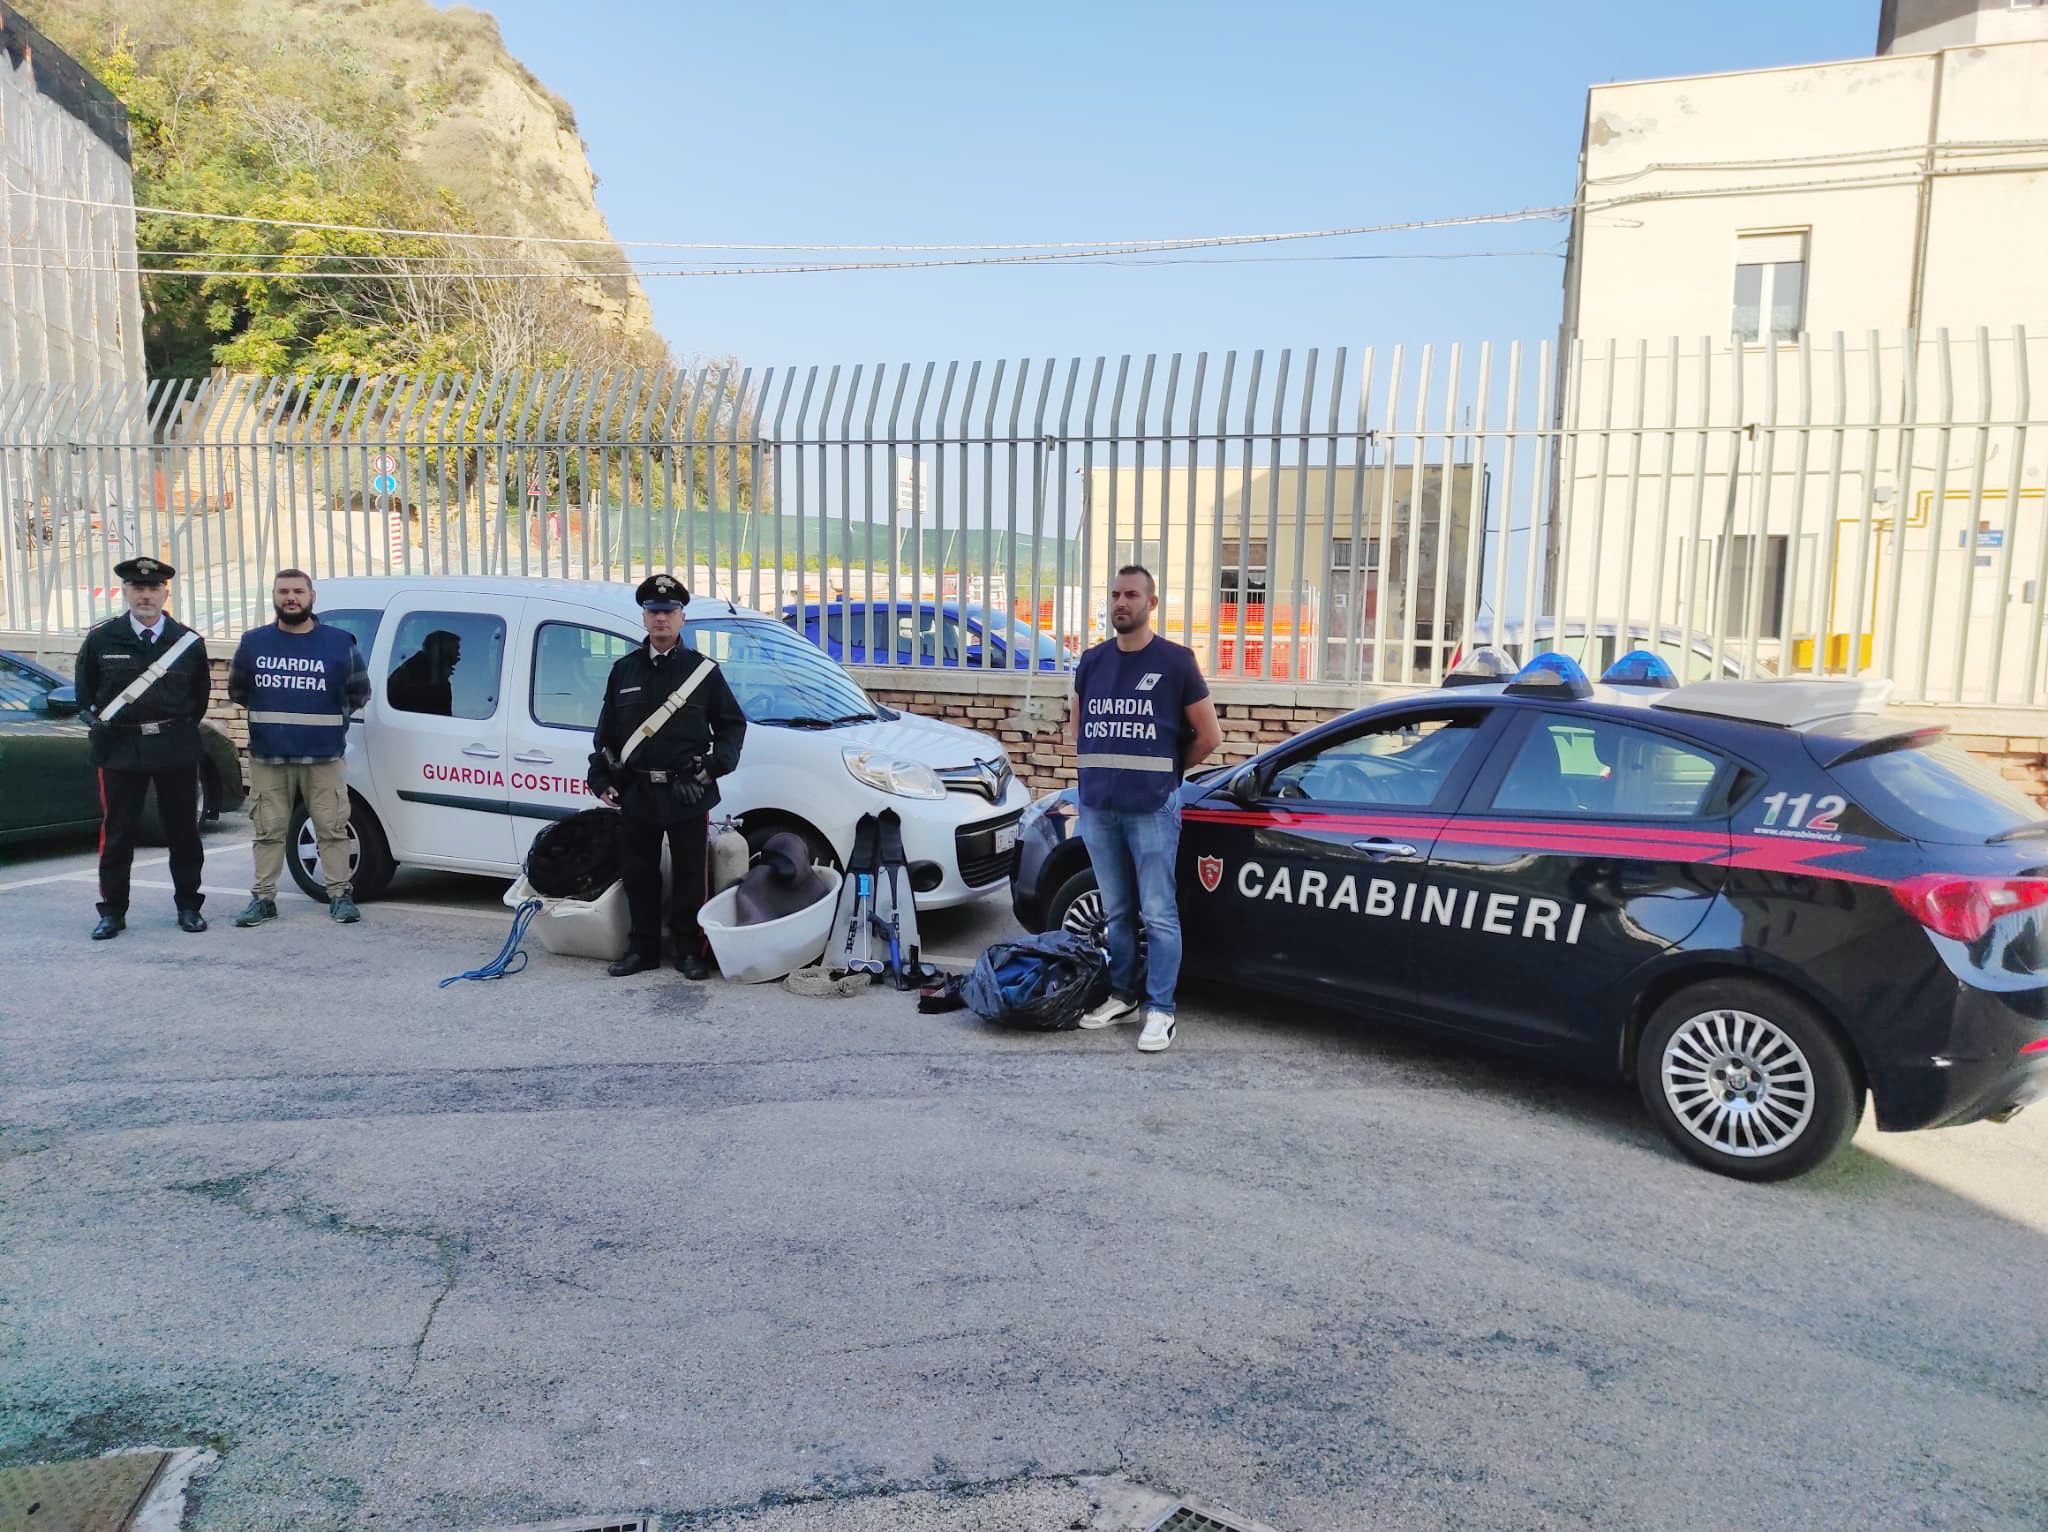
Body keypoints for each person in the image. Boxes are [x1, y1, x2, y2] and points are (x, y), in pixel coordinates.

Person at [1070, 565, 1222, 1052]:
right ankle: (1122, 995)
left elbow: (1209, 736)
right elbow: (1079, 728)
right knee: (1117, 912)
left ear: (1151, 604)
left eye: (1131, 595)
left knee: (1157, 913)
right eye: (1115, 594)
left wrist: (1166, 779)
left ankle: (1161, 1010)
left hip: (1152, 809)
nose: (1121, 603)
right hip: (1098, 808)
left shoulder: (1176, 662)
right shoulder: (1091, 662)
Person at [587, 573, 747, 979]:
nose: (661, 619)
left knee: (690, 877)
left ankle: (688, 951)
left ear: (681, 618)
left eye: (669, 612)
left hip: (685, 792)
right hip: (638, 791)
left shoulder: (703, 673)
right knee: (638, 874)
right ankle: (642, 949)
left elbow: (732, 727)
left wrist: (713, 767)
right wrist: (600, 777)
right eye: (654, 612)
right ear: (644, 617)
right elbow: (606, 734)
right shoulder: (624, 671)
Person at [72, 555, 214, 939]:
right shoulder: (102, 638)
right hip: (121, 747)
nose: (145, 595)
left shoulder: (186, 642)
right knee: (118, 833)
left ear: (165, 592)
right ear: (126, 592)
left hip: (173, 745)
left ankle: (188, 905)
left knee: (183, 831)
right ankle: (112, 912)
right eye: (138, 588)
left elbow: (198, 697)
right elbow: (85, 693)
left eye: (153, 588)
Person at [226, 568, 372, 928]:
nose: (290, 597)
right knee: (268, 829)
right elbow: (239, 691)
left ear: (311, 598)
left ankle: (339, 895)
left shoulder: (340, 643)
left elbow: (359, 692)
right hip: (269, 756)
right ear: (274, 597)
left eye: (297, 591)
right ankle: (263, 899)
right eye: (283, 592)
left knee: (332, 827)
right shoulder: (253, 643)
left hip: (323, 756)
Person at [385, 630, 460, 716]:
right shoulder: (413, 671)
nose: (458, 656)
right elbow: (422, 704)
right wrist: (440, 679)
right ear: (441, 650)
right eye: (456, 649)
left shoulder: (434, 672)